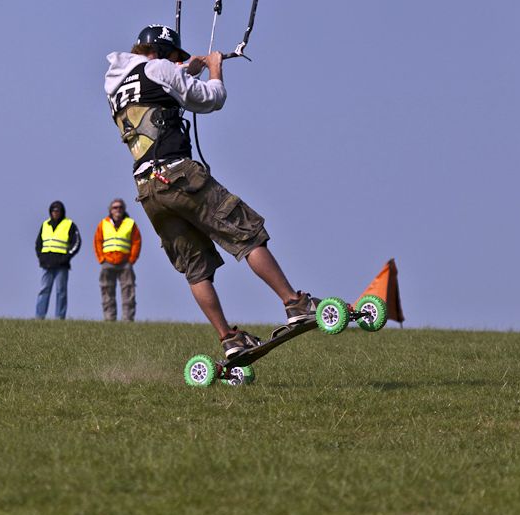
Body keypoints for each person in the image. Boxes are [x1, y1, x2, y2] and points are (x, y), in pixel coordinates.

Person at [104, 24, 318, 358]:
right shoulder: (159, 68)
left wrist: (185, 70)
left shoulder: (116, 86)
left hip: (148, 190)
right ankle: (295, 303)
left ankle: (228, 339)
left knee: (195, 268)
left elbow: (156, 90)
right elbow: (211, 99)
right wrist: (215, 69)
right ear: (160, 52)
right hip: (179, 175)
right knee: (247, 232)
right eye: (173, 56)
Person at [93, 198, 142, 321]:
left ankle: (127, 319)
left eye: (120, 207)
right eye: (115, 207)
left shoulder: (130, 223)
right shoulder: (103, 224)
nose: (118, 210)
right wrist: (101, 259)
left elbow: (136, 242)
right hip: (107, 262)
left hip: (125, 263)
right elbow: (97, 241)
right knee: (107, 290)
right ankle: (109, 319)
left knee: (128, 291)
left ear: (124, 209)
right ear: (111, 210)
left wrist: (132, 260)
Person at [34, 201, 81, 319]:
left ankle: (59, 317)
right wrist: (41, 257)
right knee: (44, 290)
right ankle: (39, 317)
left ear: (62, 212)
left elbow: (76, 242)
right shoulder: (45, 224)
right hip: (46, 264)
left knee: (61, 291)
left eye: (58, 211)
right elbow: (38, 243)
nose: (55, 213)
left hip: (61, 265)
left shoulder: (69, 224)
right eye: (53, 211)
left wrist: (66, 257)